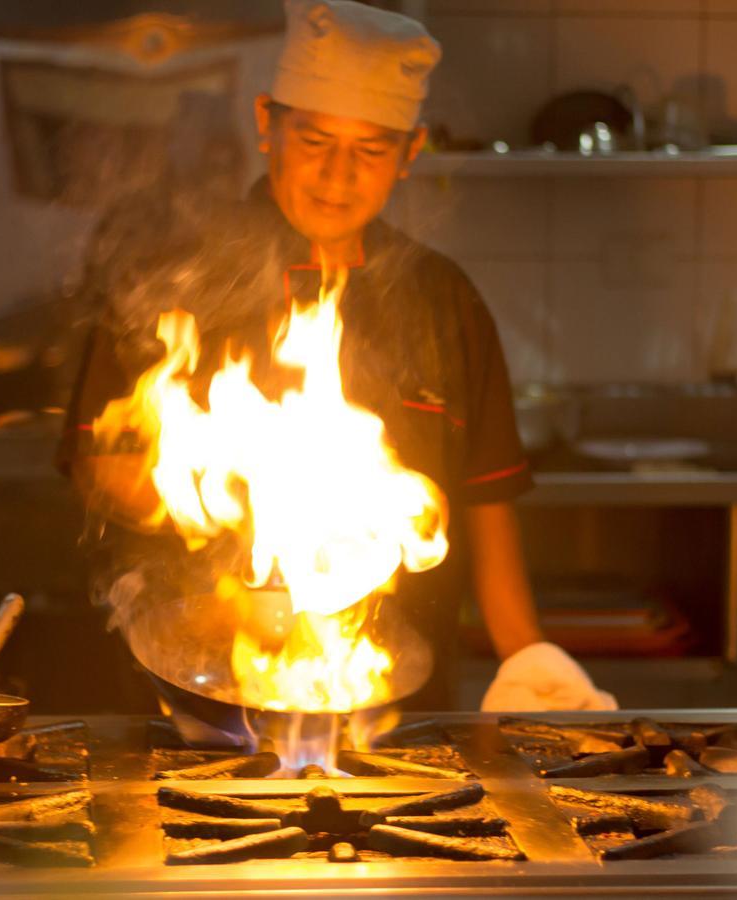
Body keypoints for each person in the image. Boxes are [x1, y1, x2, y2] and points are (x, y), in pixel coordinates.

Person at [58, 0, 615, 713]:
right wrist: (243, 485)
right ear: (266, 124)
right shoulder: (169, 278)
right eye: (315, 140)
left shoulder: (446, 300)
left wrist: (533, 661)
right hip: (192, 703)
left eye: (371, 150)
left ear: (411, 154)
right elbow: (99, 470)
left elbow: (488, 504)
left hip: (396, 708)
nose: (337, 175)